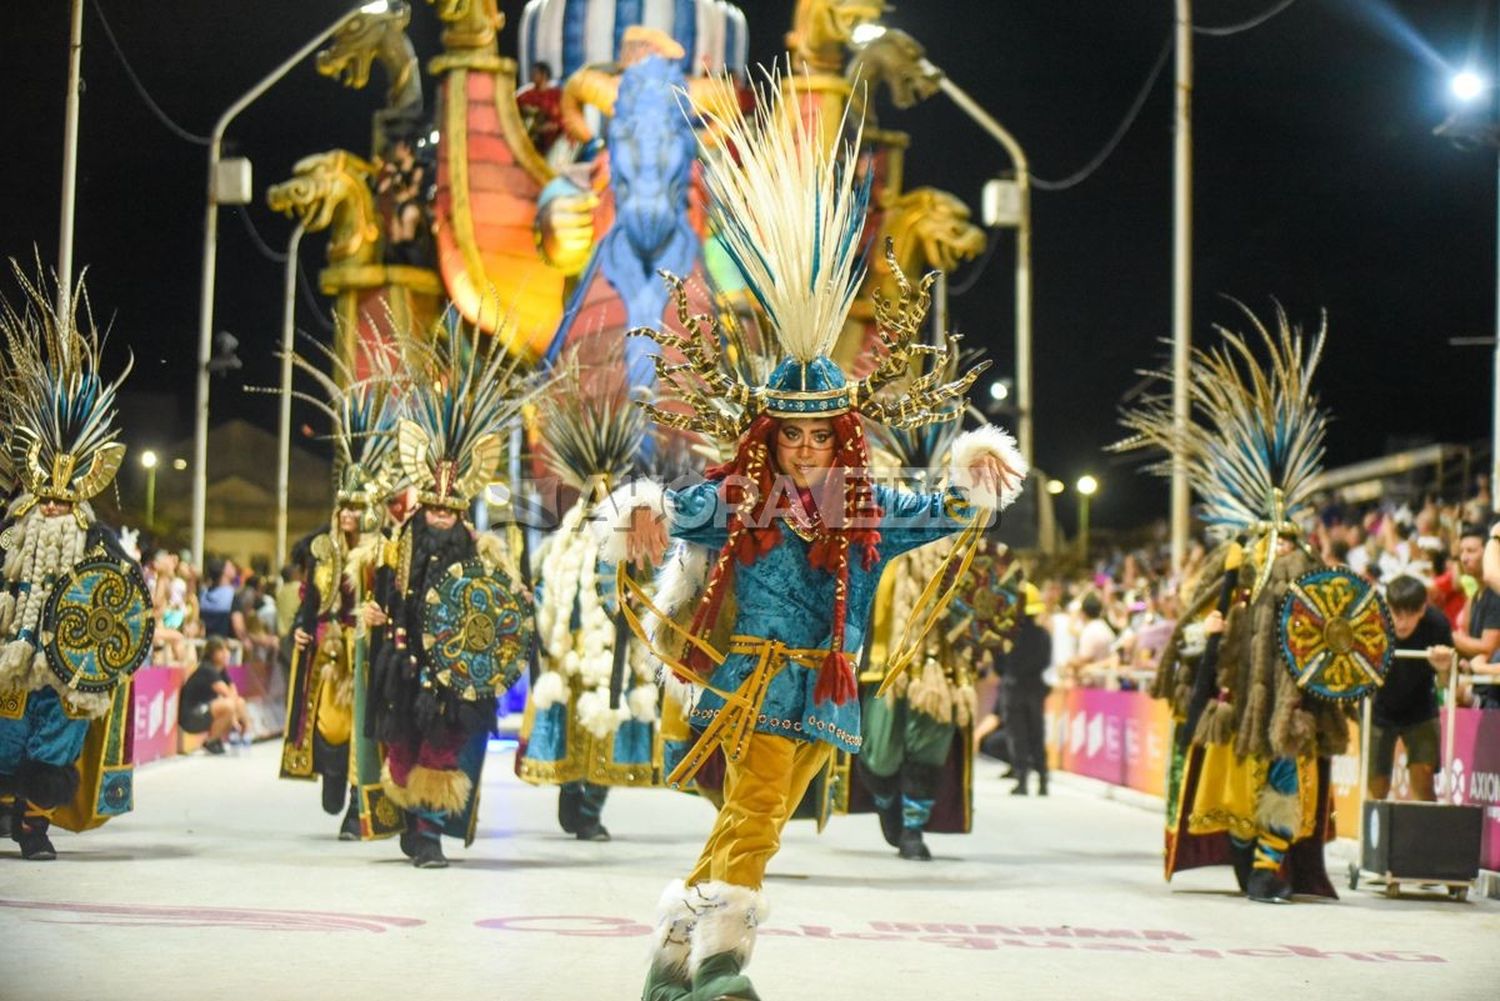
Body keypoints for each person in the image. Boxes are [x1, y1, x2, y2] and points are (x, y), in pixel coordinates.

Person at [607, 77, 1026, 1001]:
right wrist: (632, 513)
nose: (802, 447)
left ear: (840, 437)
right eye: (789, 433)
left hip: (824, 687)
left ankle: (671, 961)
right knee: (757, 812)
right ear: (769, 434)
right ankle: (722, 966)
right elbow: (667, 510)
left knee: (759, 819)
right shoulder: (737, 496)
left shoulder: (864, 510)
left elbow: (944, 509)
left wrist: (974, 471)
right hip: (752, 679)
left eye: (817, 435)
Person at [1121, 306, 1355, 905]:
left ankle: (1268, 868)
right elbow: (1190, 630)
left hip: (1287, 702)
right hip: (1233, 696)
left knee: (1280, 779)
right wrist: (1207, 631)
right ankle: (1251, 862)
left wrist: (1311, 684)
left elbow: (1337, 629)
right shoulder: (1230, 562)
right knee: (1236, 783)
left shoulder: (1308, 567)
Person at [364, 324, 535, 869]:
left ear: (461, 512)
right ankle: (411, 822)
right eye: (433, 510)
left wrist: (516, 602)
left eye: (449, 511)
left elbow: (497, 606)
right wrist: (373, 614)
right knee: (403, 750)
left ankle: (430, 830)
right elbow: (381, 596)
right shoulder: (396, 548)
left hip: (458, 675)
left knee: (444, 748)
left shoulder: (484, 553)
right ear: (422, 508)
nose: (441, 518)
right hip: (403, 663)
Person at [0, 267, 150, 860]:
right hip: (12, 657)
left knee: (57, 739)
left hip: (66, 671)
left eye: (69, 493)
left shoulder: (100, 542)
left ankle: (33, 824)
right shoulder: (10, 531)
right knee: (8, 736)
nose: (58, 501)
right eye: (49, 491)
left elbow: (128, 603)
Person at [518, 369, 659, 842]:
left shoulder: (630, 540)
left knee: (607, 729)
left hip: (616, 656)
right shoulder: (567, 542)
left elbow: (646, 590)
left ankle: (591, 809)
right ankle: (572, 796)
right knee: (576, 729)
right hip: (572, 653)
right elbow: (548, 593)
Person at [1367, 576, 1452, 801]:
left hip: (1420, 710)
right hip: (1379, 709)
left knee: (1423, 783)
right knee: (1376, 788)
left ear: (1422, 609)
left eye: (1409, 615)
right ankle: (1374, 834)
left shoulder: (1438, 625)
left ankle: (1425, 835)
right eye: (1396, 614)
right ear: (1387, 607)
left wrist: (1443, 669)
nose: (1401, 623)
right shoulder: (1371, 623)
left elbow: (1446, 683)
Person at [996, 583, 1051, 796]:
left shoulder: (1006, 635)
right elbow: (1046, 661)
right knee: (1037, 733)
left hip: (1012, 687)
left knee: (1017, 735)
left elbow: (999, 665)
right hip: (1035, 687)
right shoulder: (1043, 634)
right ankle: (1043, 780)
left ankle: (1022, 781)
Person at [179, 637, 250, 754]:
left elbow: (234, 692)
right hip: (191, 716)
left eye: (227, 650)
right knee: (228, 706)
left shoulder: (221, 670)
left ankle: (243, 736)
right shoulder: (207, 669)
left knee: (240, 702)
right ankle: (210, 741)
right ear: (212, 654)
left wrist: (238, 717)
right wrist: (233, 718)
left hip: (205, 711)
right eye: (221, 651)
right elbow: (226, 693)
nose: (226, 654)